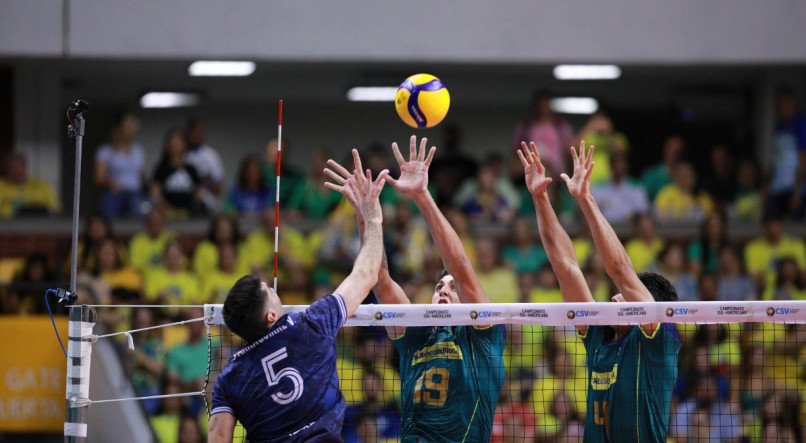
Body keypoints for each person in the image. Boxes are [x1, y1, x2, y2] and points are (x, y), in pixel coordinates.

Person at [324, 138, 506, 442]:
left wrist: (422, 196)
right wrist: (368, 215)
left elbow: (460, 267)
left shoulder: (482, 335)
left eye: (452, 288)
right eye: (439, 286)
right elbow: (379, 278)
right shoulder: (416, 336)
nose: (444, 291)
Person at [208, 157, 388, 442]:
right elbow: (366, 274)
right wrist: (373, 219)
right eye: (267, 290)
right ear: (269, 316)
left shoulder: (229, 377)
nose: (272, 289)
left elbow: (218, 438)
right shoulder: (310, 325)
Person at [519, 140, 680, 441]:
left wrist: (586, 199)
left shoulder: (659, 343)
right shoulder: (598, 337)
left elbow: (620, 270)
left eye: (626, 295)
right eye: (618, 294)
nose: (615, 297)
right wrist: (540, 197)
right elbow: (566, 267)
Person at [94, 112, 148, 218]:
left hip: (134, 192)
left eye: (133, 126)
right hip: (115, 192)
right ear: (119, 128)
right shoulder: (106, 151)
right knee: (109, 203)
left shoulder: (139, 151)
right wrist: (110, 183)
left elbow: (141, 176)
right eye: (128, 126)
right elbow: (98, 177)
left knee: (142, 205)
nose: (131, 129)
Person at [149, 127, 205, 217]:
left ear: (185, 145)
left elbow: (199, 192)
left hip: (188, 212)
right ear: (167, 145)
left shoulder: (191, 169)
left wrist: (191, 205)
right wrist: (163, 205)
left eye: (179, 142)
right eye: (173, 142)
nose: (176, 145)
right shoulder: (161, 168)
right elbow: (155, 192)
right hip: (166, 212)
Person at [0, 152, 60, 218]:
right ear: (7, 170)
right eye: (14, 168)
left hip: (41, 224)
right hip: (10, 225)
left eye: (20, 167)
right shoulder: (1, 186)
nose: (18, 171)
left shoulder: (41, 185)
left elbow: (55, 208)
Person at [184, 117, 225, 213]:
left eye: (202, 131)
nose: (198, 135)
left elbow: (218, 188)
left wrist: (207, 181)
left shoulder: (211, 155)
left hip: (207, 205)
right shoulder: (181, 154)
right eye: (195, 131)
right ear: (188, 133)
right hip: (183, 204)